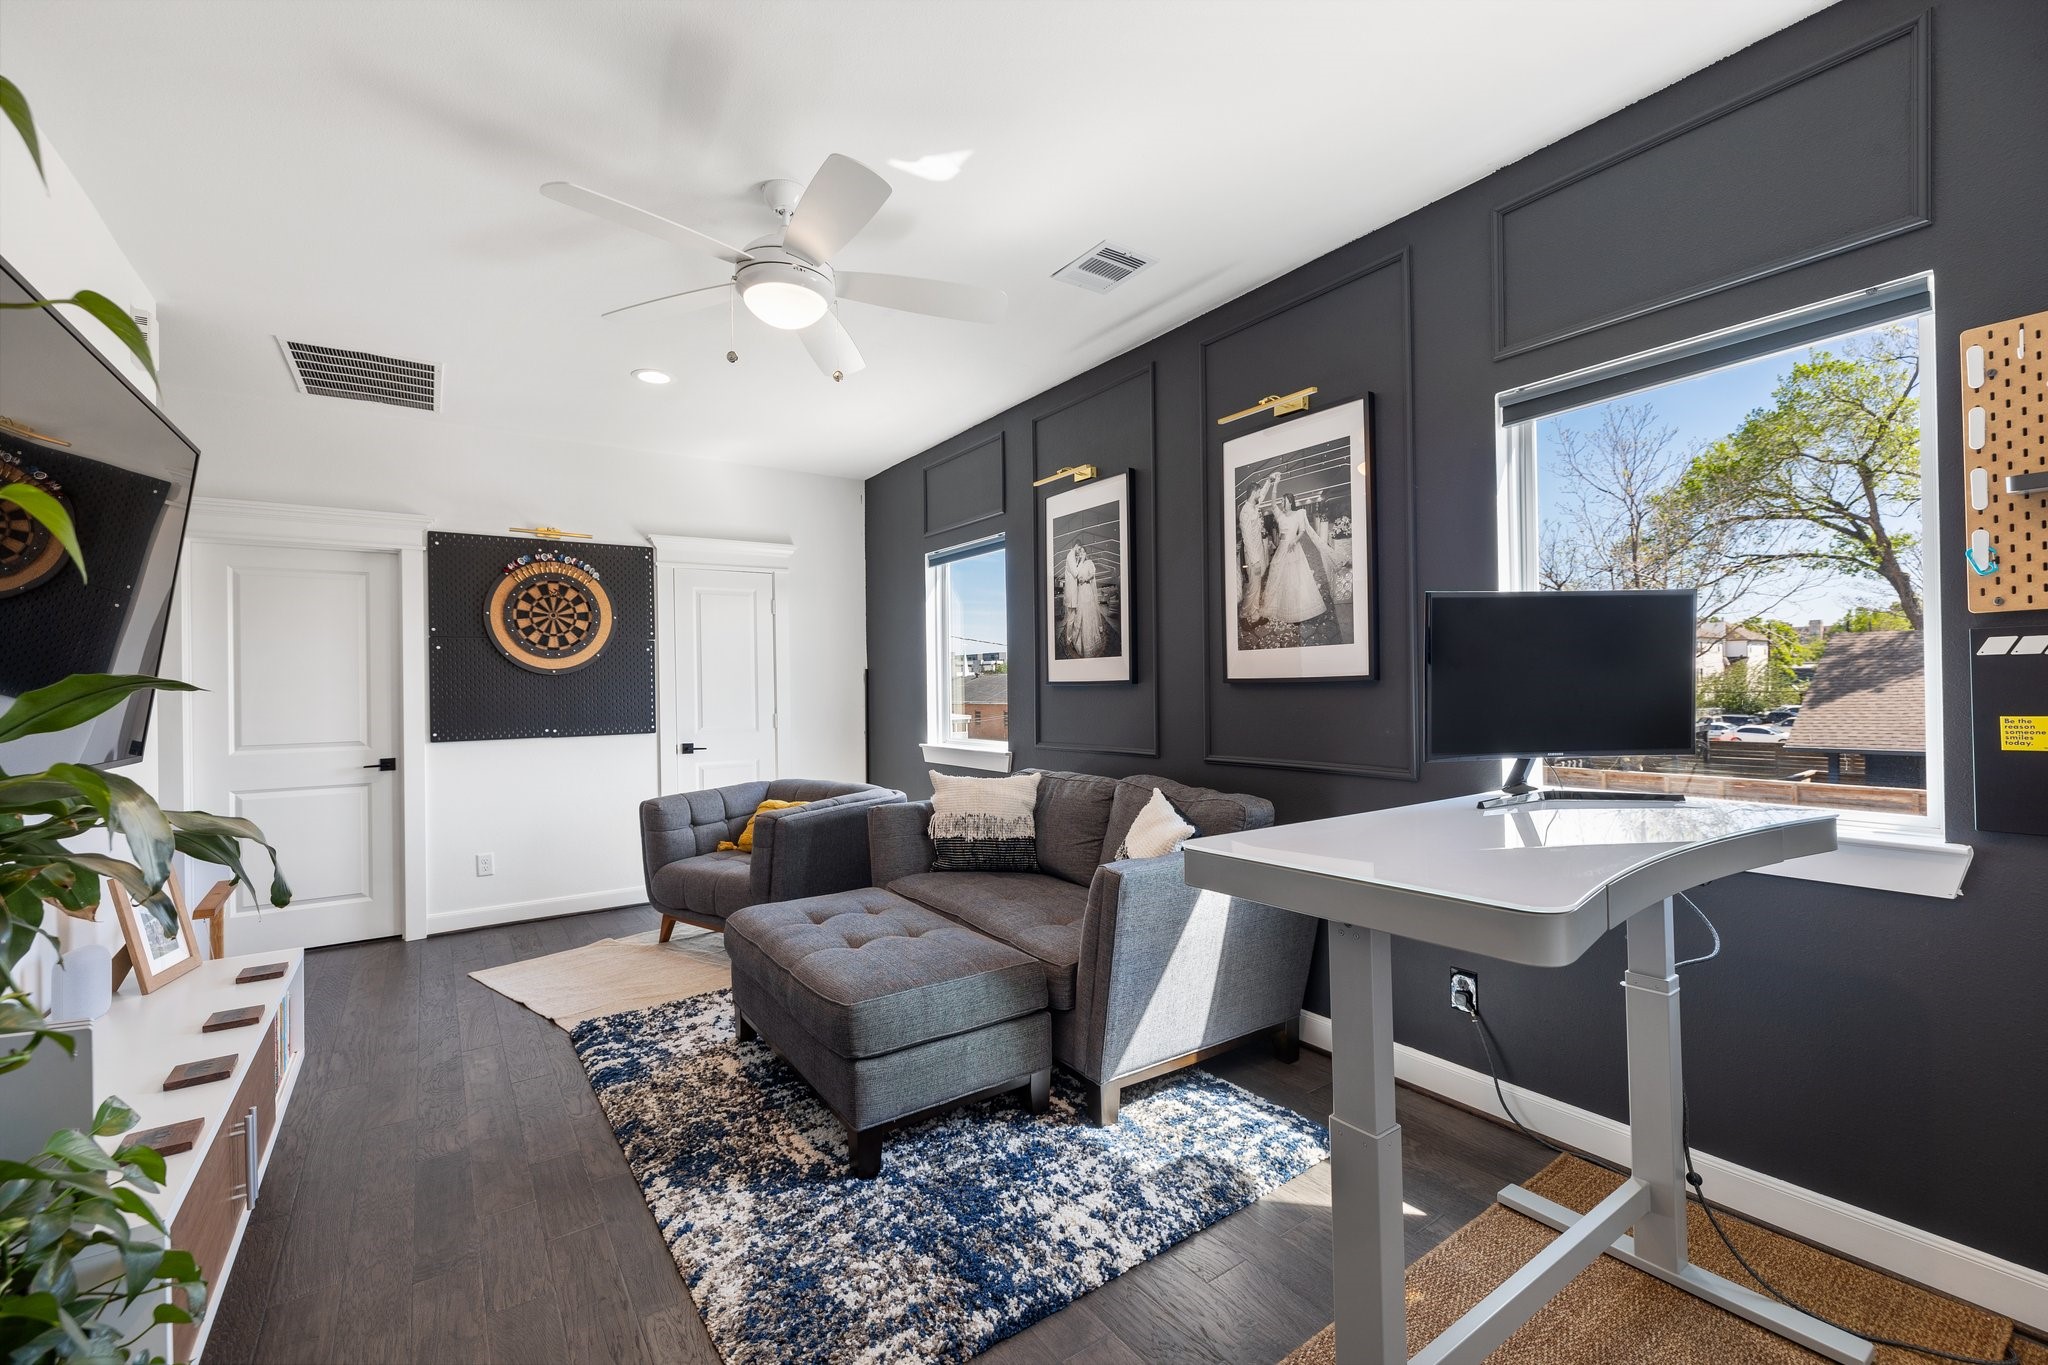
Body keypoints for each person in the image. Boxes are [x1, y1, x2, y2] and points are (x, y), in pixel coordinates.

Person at [1261, 492, 1336, 625]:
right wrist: (1275, 484)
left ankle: (1298, 611)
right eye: (1282, 501)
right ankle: (1283, 608)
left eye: (1284, 501)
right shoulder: (1280, 515)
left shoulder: (1298, 514)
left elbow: (1302, 530)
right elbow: (1273, 503)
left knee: (1294, 579)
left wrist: (1294, 541)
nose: (1282, 504)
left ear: (1290, 502)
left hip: (1294, 547)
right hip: (1282, 548)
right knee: (1280, 576)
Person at [1238, 472, 1278, 624]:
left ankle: (1255, 615)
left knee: (1257, 584)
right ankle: (1243, 615)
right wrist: (1255, 561)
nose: (1260, 495)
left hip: (1259, 554)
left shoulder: (1254, 506)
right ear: (1253, 492)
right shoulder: (1245, 512)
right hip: (1253, 556)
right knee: (1253, 587)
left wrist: (1269, 480)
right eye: (1258, 492)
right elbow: (1247, 538)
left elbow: (1263, 494)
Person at [1069, 542, 1108, 656]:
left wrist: (1085, 579)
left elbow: (1092, 574)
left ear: (1086, 552)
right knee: (1080, 613)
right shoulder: (1078, 564)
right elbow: (1075, 576)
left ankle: (1090, 643)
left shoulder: (1090, 562)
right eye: (1080, 551)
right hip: (1080, 591)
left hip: (1087, 590)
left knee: (1088, 613)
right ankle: (1078, 640)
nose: (1081, 553)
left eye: (1082, 551)